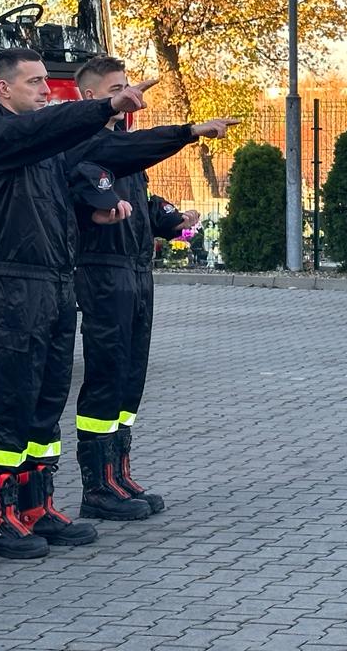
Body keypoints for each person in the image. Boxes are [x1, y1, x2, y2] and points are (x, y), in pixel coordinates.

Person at [0, 48, 156, 559]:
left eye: (47, 80)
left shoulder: (46, 151)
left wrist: (95, 216)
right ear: (3, 89)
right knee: (12, 402)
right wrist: (104, 107)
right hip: (17, 288)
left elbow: (76, 183)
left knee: (47, 401)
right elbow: (44, 128)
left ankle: (35, 507)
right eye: (34, 82)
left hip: (56, 285)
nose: (47, 89)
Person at [65, 55, 237, 522]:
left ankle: (118, 474)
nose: (128, 95)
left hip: (137, 271)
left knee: (130, 377)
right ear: (89, 96)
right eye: (116, 88)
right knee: (107, 376)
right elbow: (126, 159)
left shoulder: (122, 146)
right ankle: (97, 487)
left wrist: (171, 221)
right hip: (104, 273)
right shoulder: (86, 141)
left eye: (128, 86)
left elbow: (138, 200)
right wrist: (190, 131)